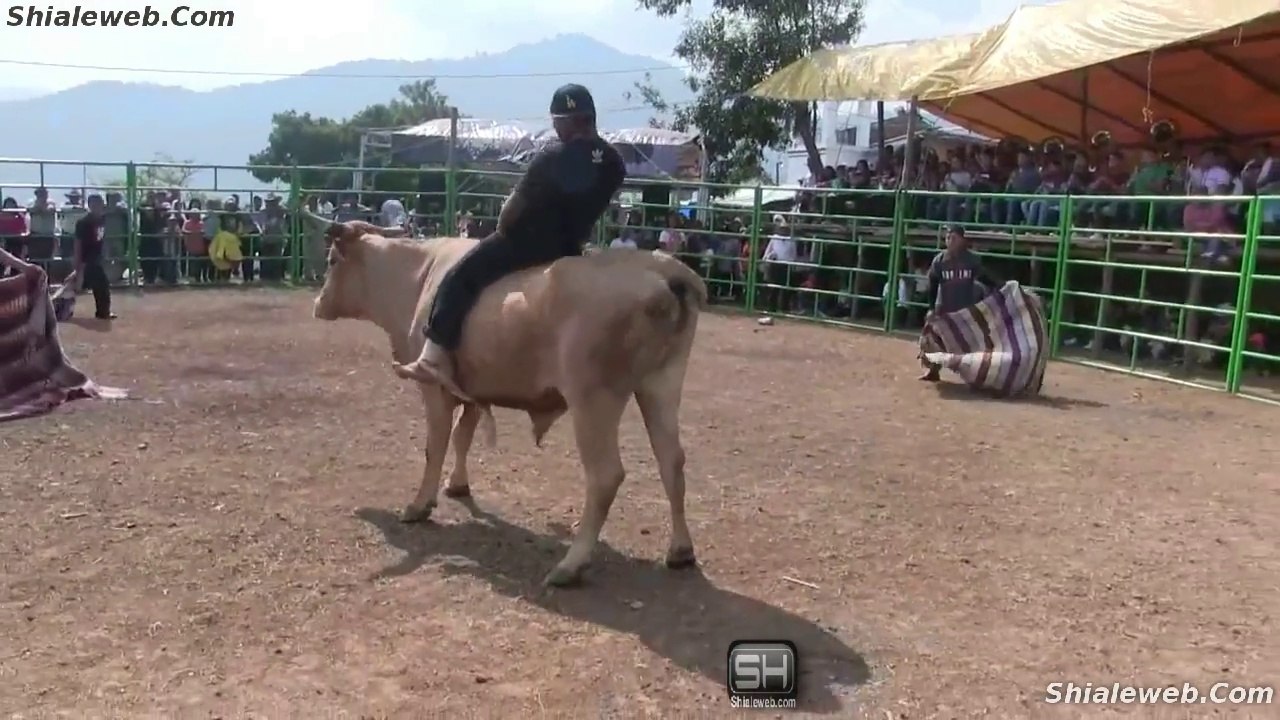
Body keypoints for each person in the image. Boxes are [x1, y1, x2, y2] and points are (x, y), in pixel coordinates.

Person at [407, 83, 627, 397]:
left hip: (526, 245)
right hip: (571, 246)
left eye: (557, 121)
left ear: (568, 120)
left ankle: (433, 355)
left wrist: (504, 228)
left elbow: (511, 212)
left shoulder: (552, 157)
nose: (555, 128)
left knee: (459, 276)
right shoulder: (614, 162)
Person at [919, 225, 1000, 381]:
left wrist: (1001, 286)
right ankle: (933, 370)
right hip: (944, 309)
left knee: (973, 345)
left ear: (962, 240)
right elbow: (932, 285)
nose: (950, 241)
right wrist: (931, 308)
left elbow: (986, 278)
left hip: (965, 311)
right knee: (932, 340)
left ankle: (976, 376)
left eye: (954, 237)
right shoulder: (939, 260)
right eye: (948, 237)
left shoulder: (972, 260)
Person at [73, 193, 116, 320]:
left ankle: (103, 311)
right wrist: (78, 261)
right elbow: (78, 243)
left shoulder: (102, 220)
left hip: (96, 257)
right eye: (94, 204)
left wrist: (105, 254)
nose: (98, 206)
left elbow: (101, 239)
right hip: (87, 259)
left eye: (99, 204)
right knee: (101, 284)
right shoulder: (83, 222)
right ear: (90, 206)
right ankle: (103, 312)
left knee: (99, 285)